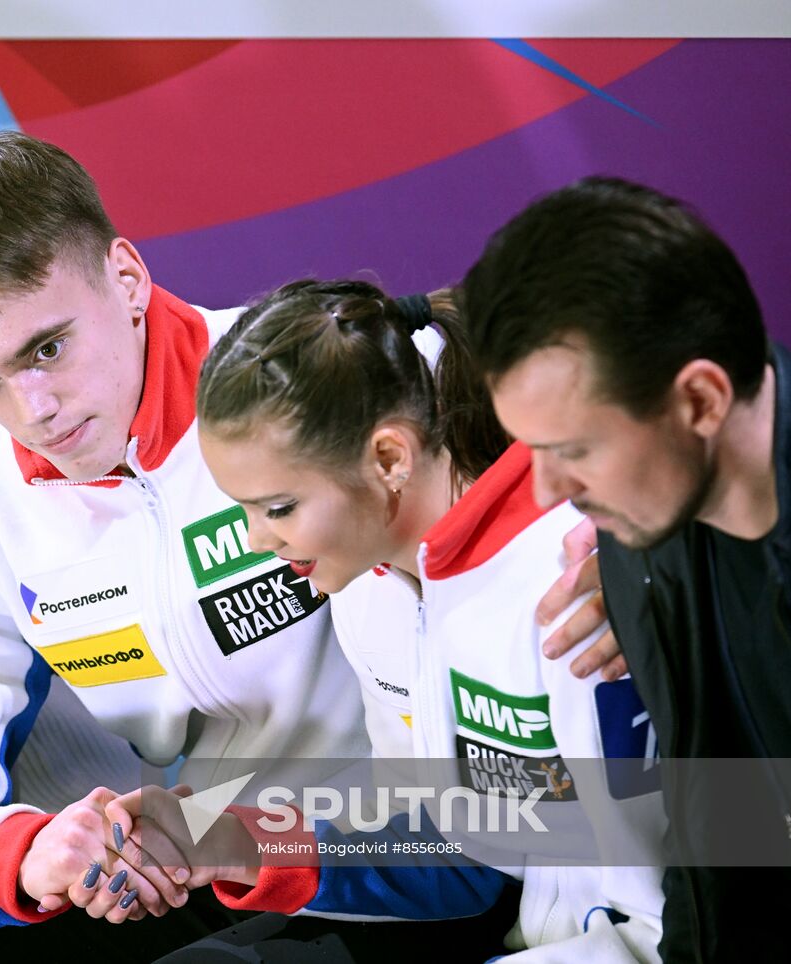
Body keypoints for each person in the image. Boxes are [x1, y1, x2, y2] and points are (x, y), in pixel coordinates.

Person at [0, 131, 616, 959]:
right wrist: (32, 853)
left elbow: (650, 418)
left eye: (48, 348)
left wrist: (641, 560)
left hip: (402, 853)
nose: (32, 410)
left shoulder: (316, 384)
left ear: (127, 278)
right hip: (215, 844)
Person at [181, 279, 665, 960]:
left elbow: (683, 919)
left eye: (279, 507)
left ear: (388, 459)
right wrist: (240, 845)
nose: (258, 542)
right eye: (245, 510)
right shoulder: (362, 589)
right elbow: (469, 850)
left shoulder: (573, 590)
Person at [463, 175, 791, 963]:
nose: (549, 491)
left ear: (702, 401)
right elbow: (720, 850)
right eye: (531, 449)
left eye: (574, 450)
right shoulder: (638, 537)